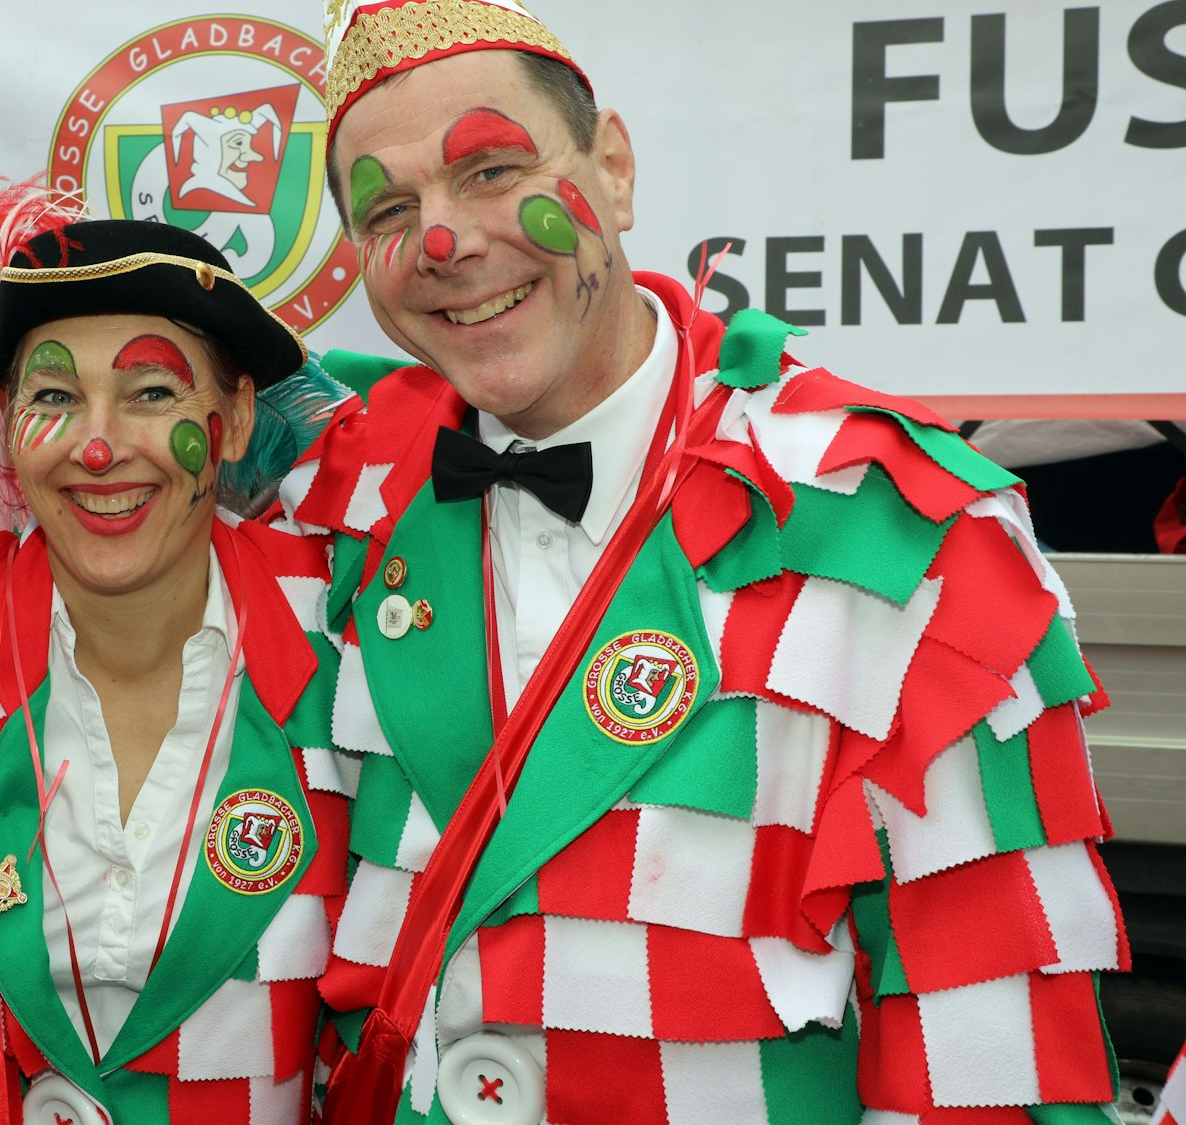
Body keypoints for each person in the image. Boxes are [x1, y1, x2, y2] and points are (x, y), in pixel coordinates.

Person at [279, 3, 1128, 1123]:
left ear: (614, 171)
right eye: (389, 208)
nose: (442, 242)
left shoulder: (898, 529)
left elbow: (992, 1052)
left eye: (490, 169)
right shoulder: (341, 504)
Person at [0, 189, 352, 1125]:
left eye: (151, 393)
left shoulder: (347, 629)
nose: (99, 447)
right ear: (8, 427)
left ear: (238, 416)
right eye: (55, 396)